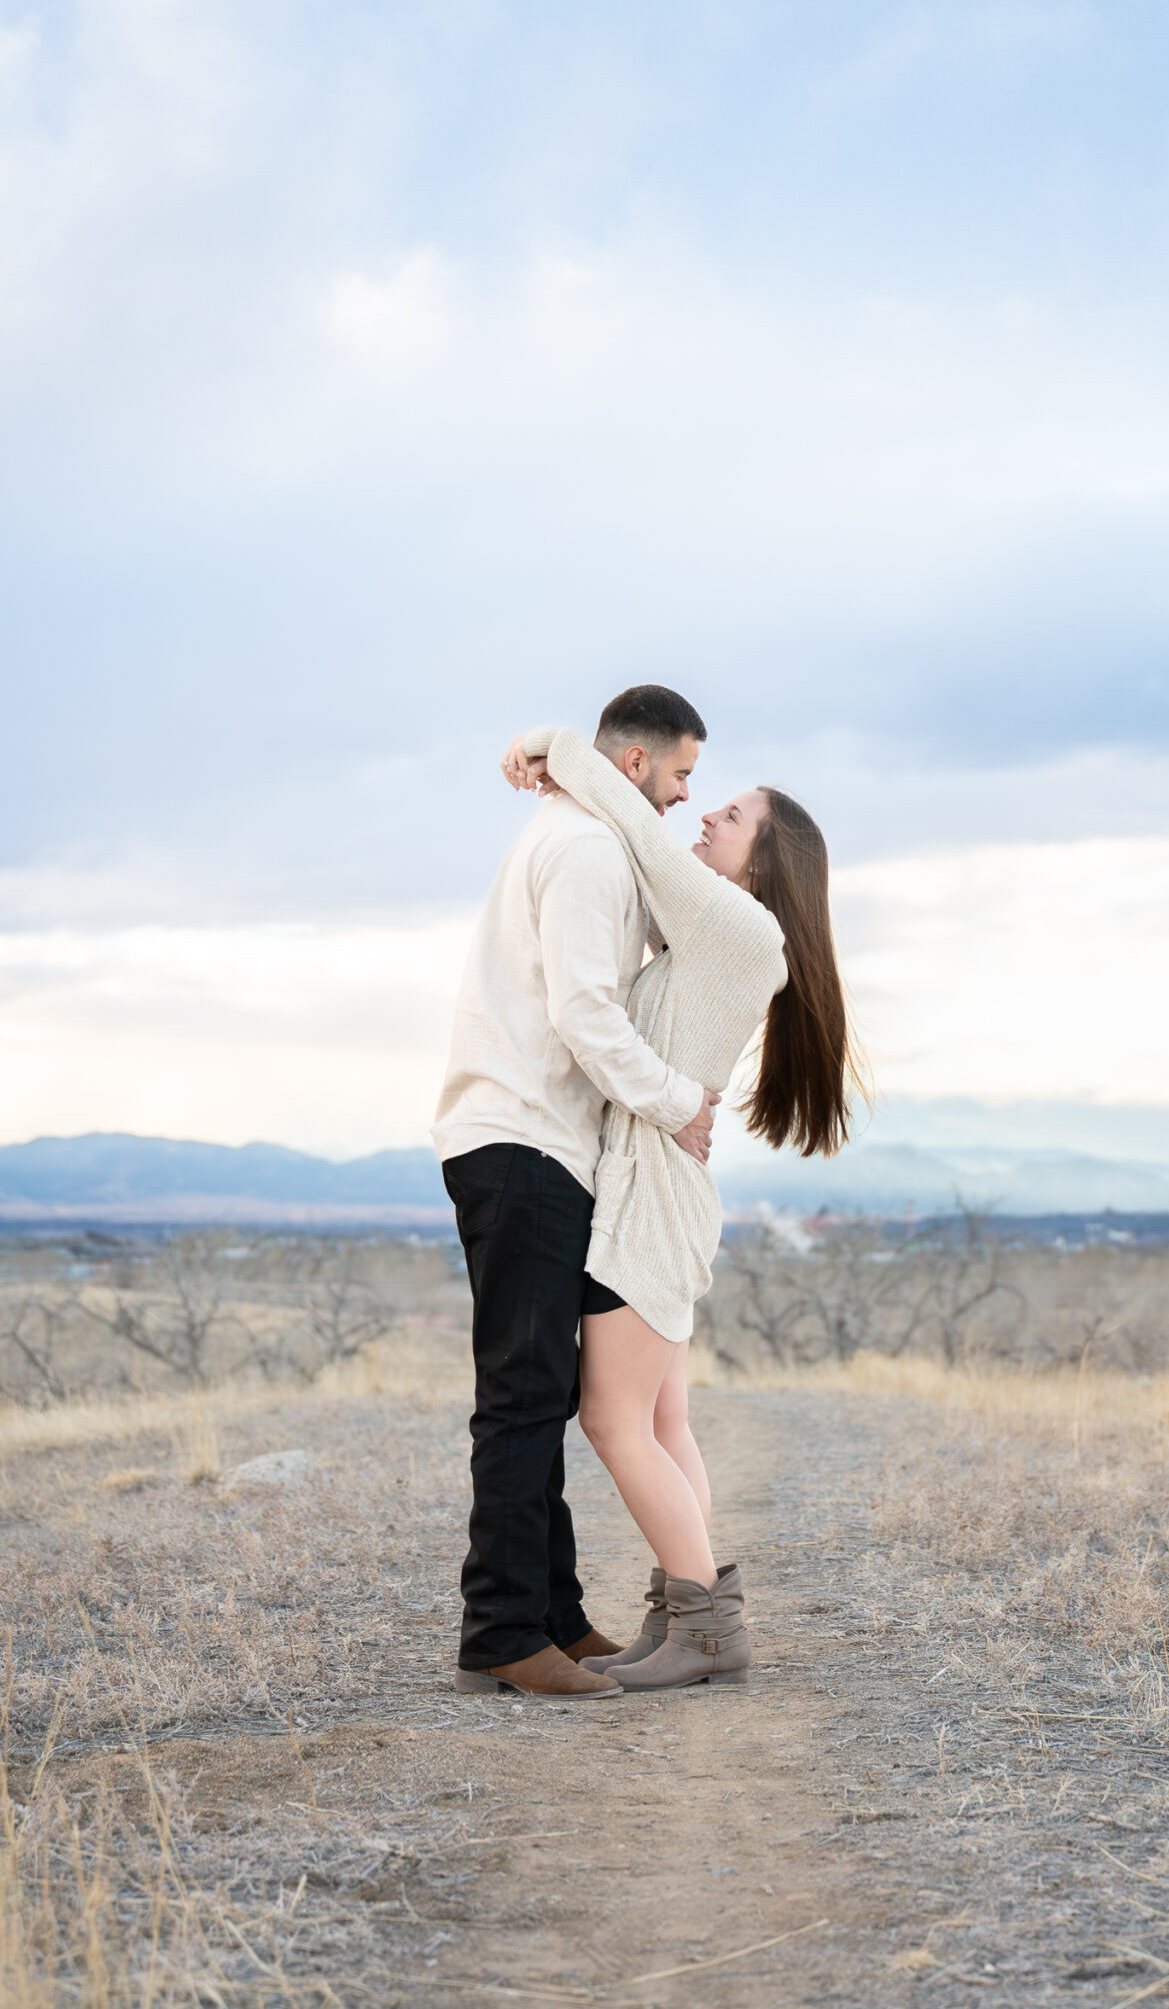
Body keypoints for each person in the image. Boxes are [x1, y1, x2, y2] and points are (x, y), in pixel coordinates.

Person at [497, 722, 857, 1691]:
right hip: (665, 1195)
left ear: (765, 855)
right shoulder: (718, 936)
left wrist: (557, 749)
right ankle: (687, 1610)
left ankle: (706, 1626)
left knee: (614, 1421)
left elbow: (642, 835)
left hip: (653, 1205)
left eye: (731, 813)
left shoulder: (743, 929)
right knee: (662, 1424)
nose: (707, 813)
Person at [433, 685, 721, 1702]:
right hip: (524, 1139)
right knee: (521, 1394)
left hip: (537, 1141)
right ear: (635, 764)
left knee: (541, 1389)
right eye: (682, 773)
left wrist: (543, 743)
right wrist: (679, 1100)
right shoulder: (592, 851)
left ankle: (549, 1615)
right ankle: (502, 1635)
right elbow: (587, 1015)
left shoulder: (592, 838)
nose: (689, 797)